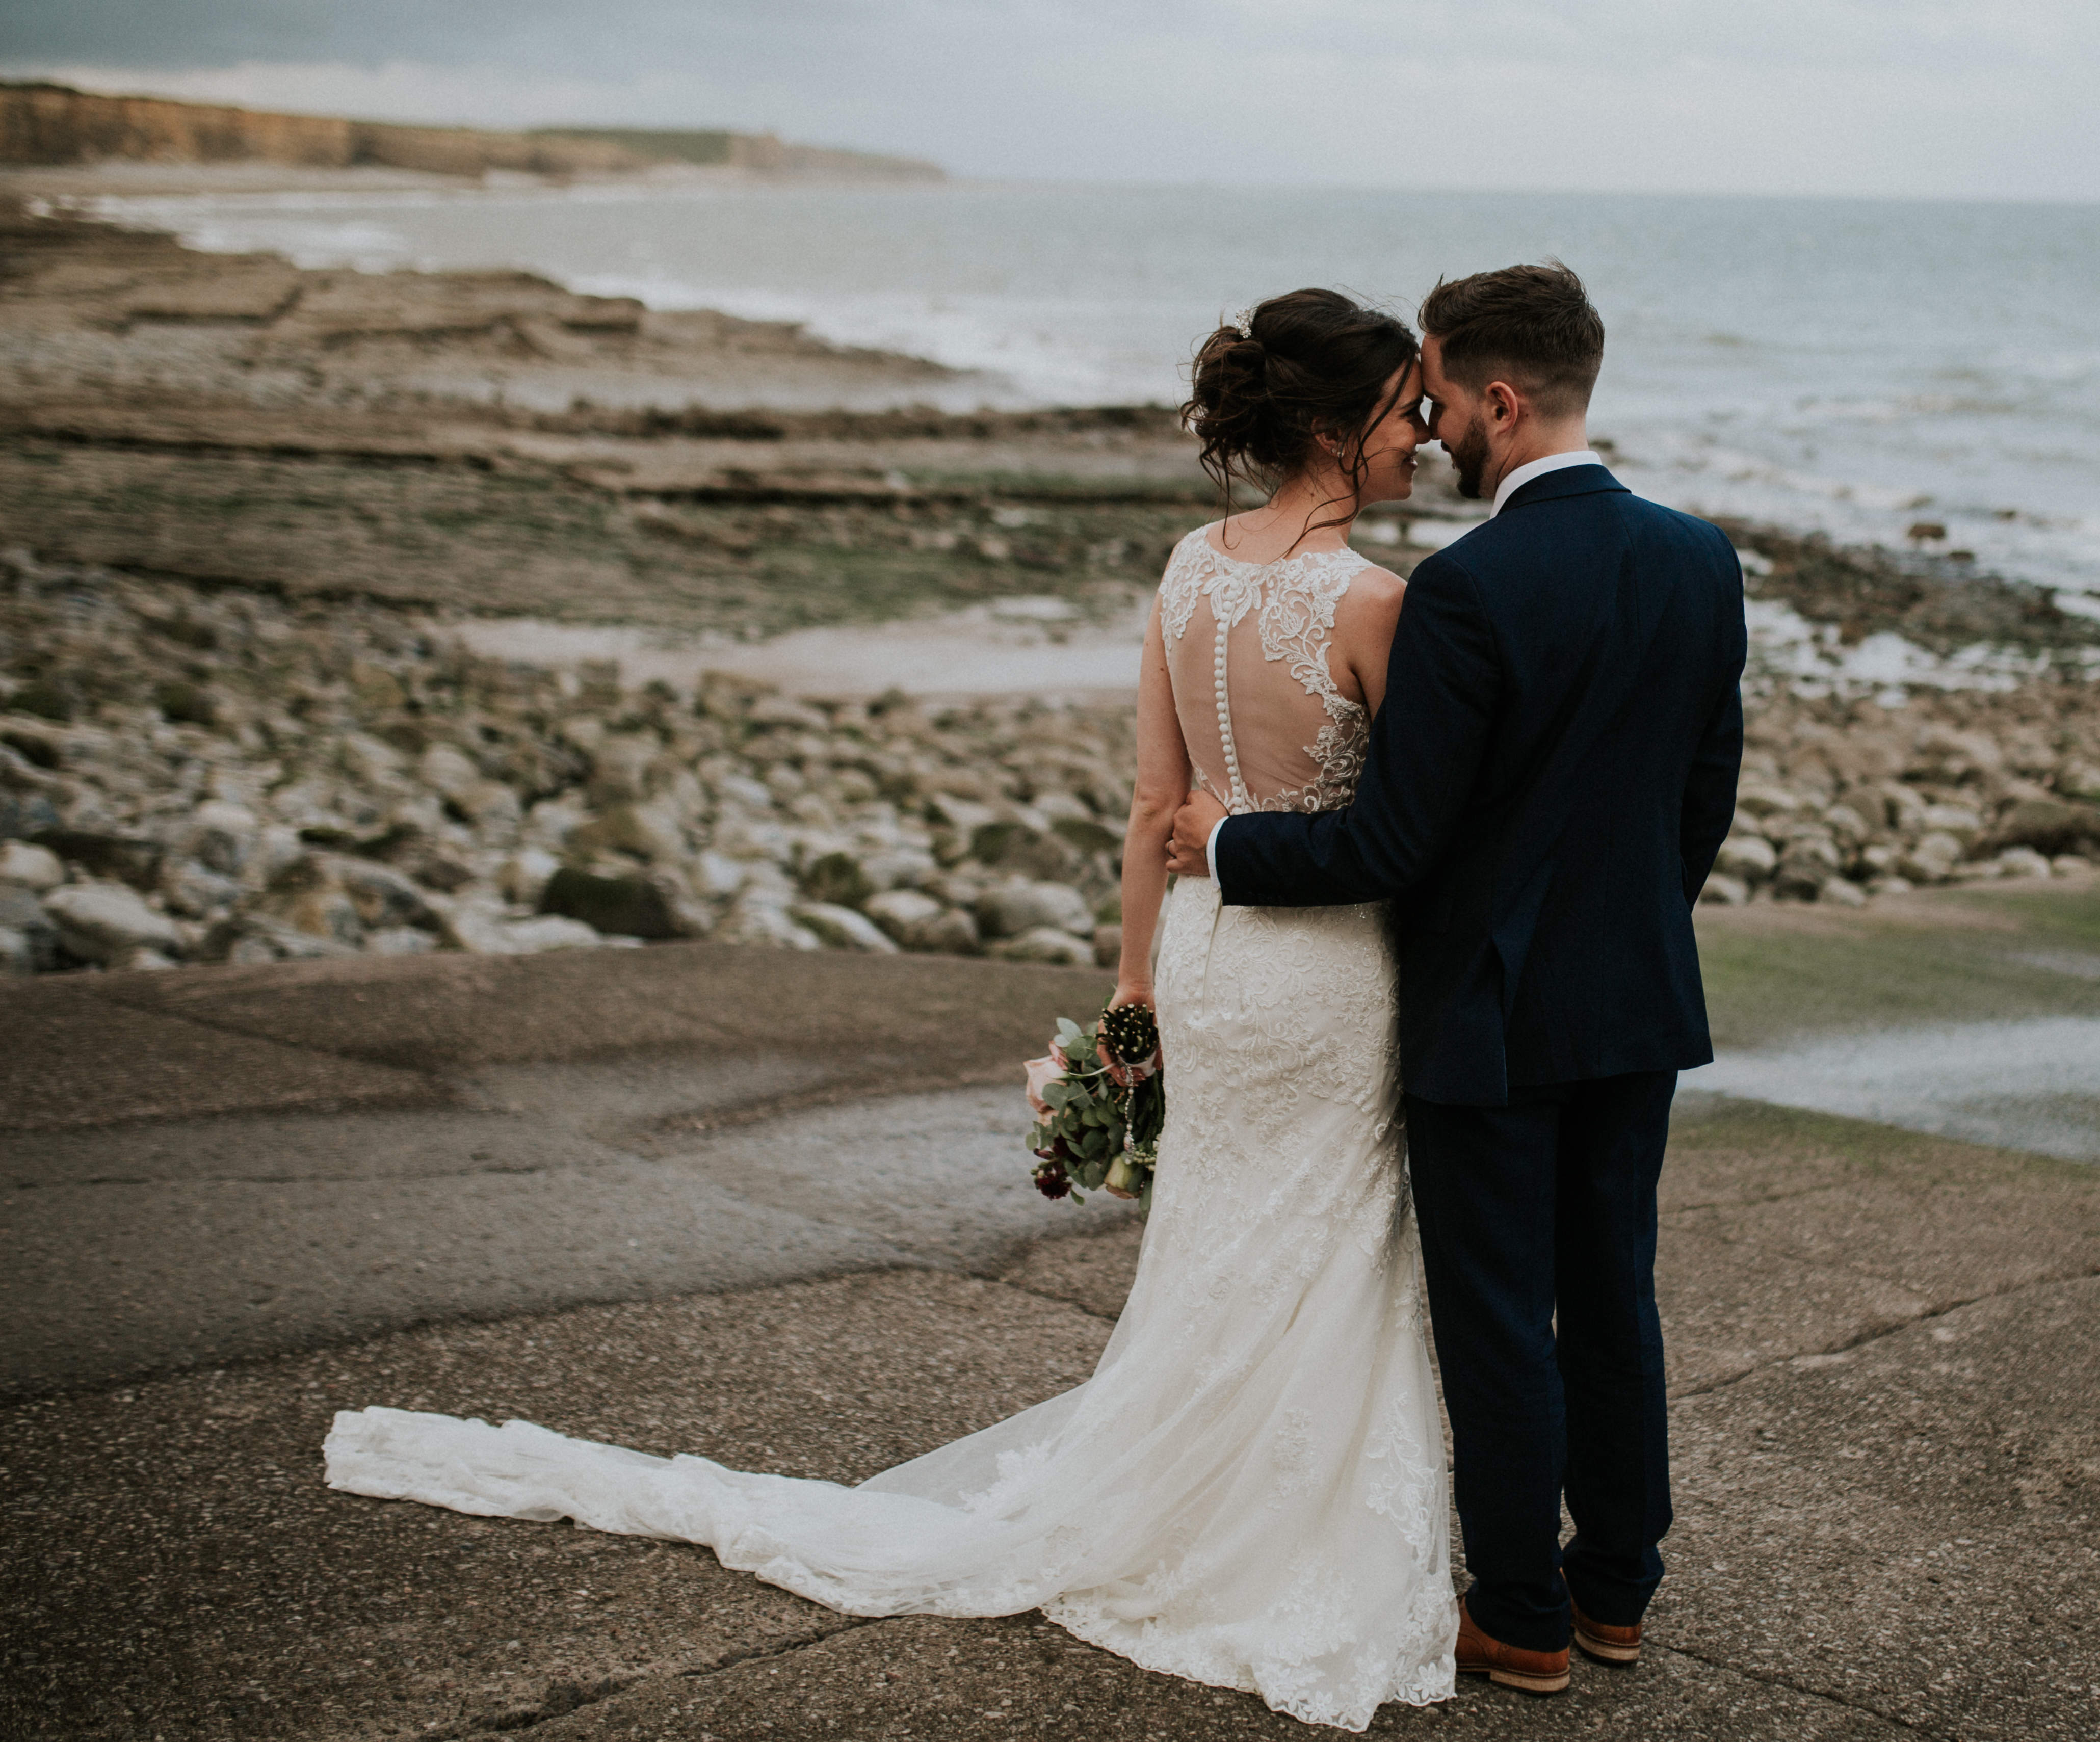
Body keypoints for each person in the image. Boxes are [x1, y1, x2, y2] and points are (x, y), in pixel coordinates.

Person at [323, 287, 1460, 1733]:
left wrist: (1132, 987)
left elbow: (1150, 805)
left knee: (1226, 1235)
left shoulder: (1185, 570)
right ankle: (1266, 1533)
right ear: (1328, 427)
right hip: (1322, 966)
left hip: (1206, 956)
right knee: (1330, 1239)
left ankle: (1184, 1492)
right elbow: (1412, 833)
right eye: (1397, 413)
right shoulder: (1376, 605)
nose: (1418, 437)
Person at [1170, 260, 1749, 1696]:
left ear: (1502, 396)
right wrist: (1626, 934)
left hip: (1484, 1021)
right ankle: (1616, 1591)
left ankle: (1522, 1614)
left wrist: (1225, 845)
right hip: (1632, 1004)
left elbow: (1394, 839)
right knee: (1613, 1293)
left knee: (1499, 1312)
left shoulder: (1466, 588)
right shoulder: (1699, 559)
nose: (1422, 425)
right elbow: (1701, 797)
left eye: (1433, 396)